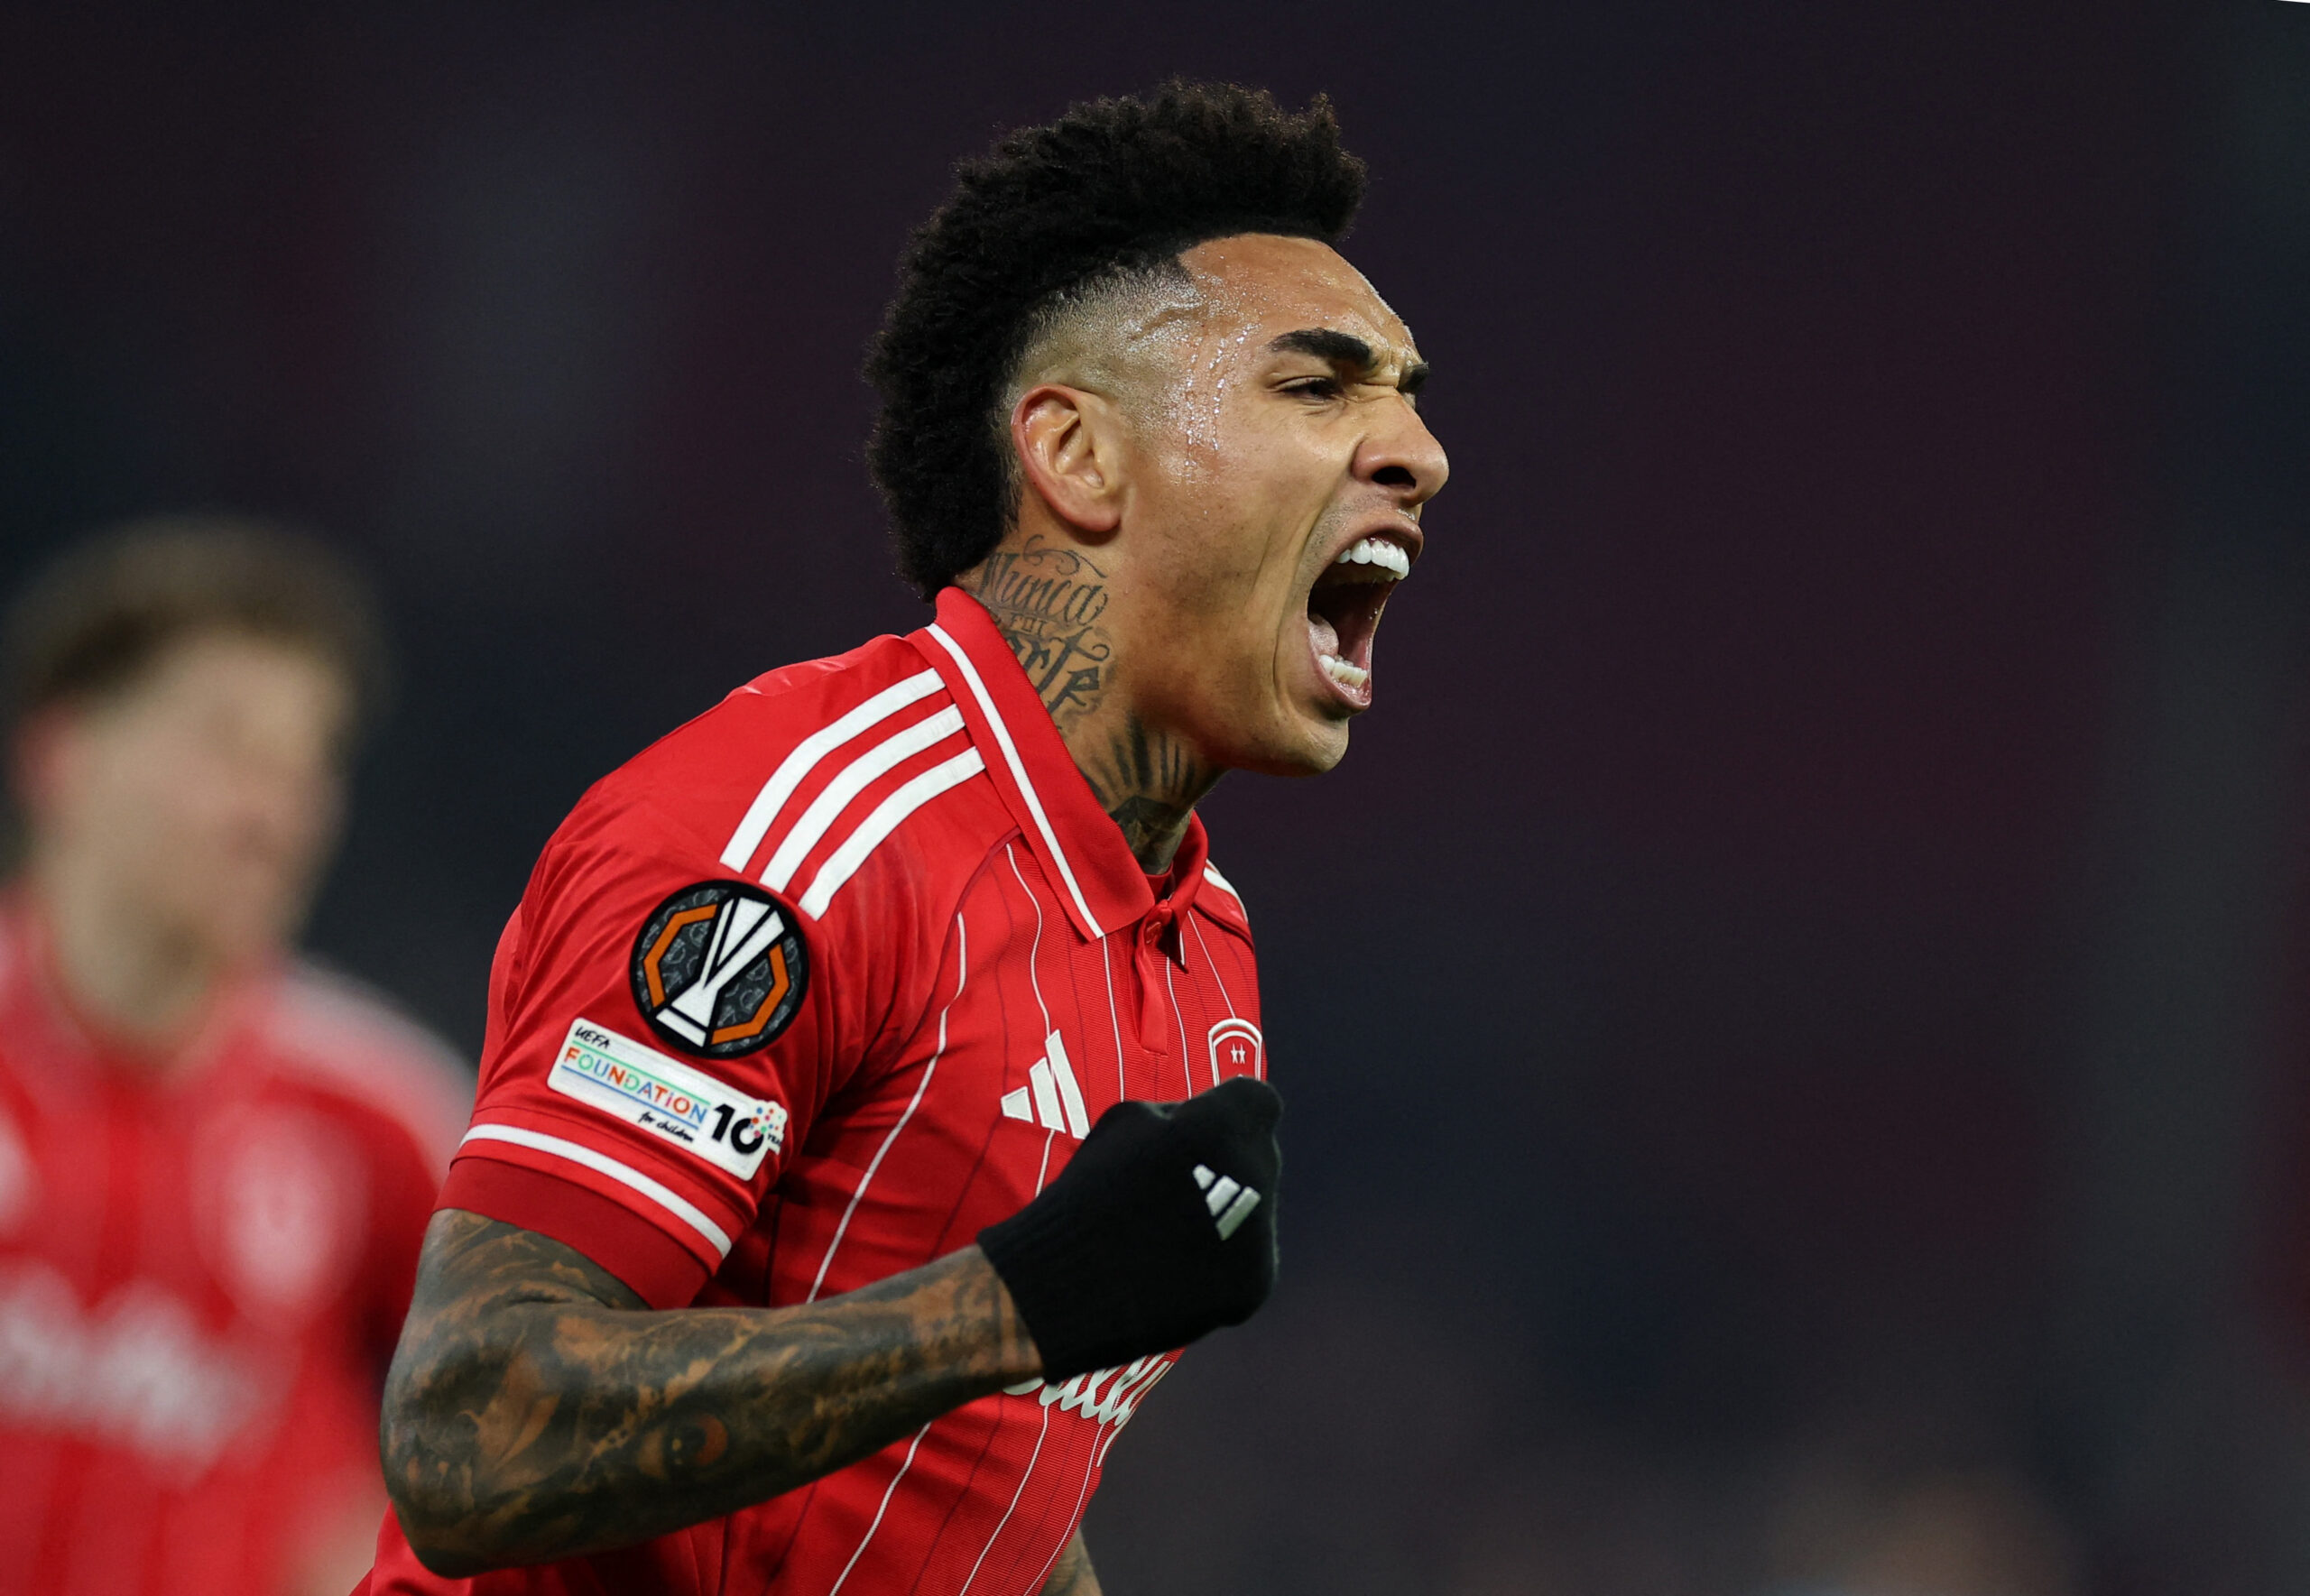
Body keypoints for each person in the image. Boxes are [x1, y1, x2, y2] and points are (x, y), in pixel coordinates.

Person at [363, 80, 1446, 1596]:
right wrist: (1009, 1303)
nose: (1419, 452)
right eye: (1319, 388)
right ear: (1079, 457)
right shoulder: (795, 835)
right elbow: (470, 1432)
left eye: (1408, 397)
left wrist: (1013, 1325)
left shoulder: (1201, 950)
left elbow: (978, 1474)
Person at [0, 519, 469, 1596]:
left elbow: (514, 1438)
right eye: (228, 748)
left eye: (306, 767)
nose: (276, 815)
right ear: (63, 754)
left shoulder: (382, 1115)